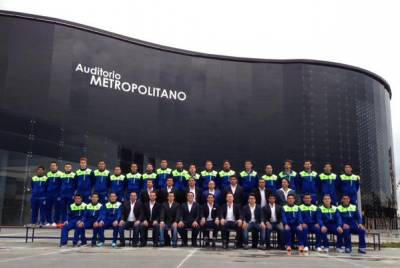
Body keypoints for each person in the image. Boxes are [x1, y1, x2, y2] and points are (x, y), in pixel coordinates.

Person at [46, 161, 63, 226]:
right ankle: (49, 221)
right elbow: (46, 185)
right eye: (51, 166)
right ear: (50, 167)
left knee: (57, 208)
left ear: (57, 167)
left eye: (54, 166)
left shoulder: (60, 174)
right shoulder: (48, 174)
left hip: (57, 194)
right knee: (48, 208)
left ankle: (56, 222)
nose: (53, 167)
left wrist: (59, 194)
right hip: (49, 194)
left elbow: (62, 185)